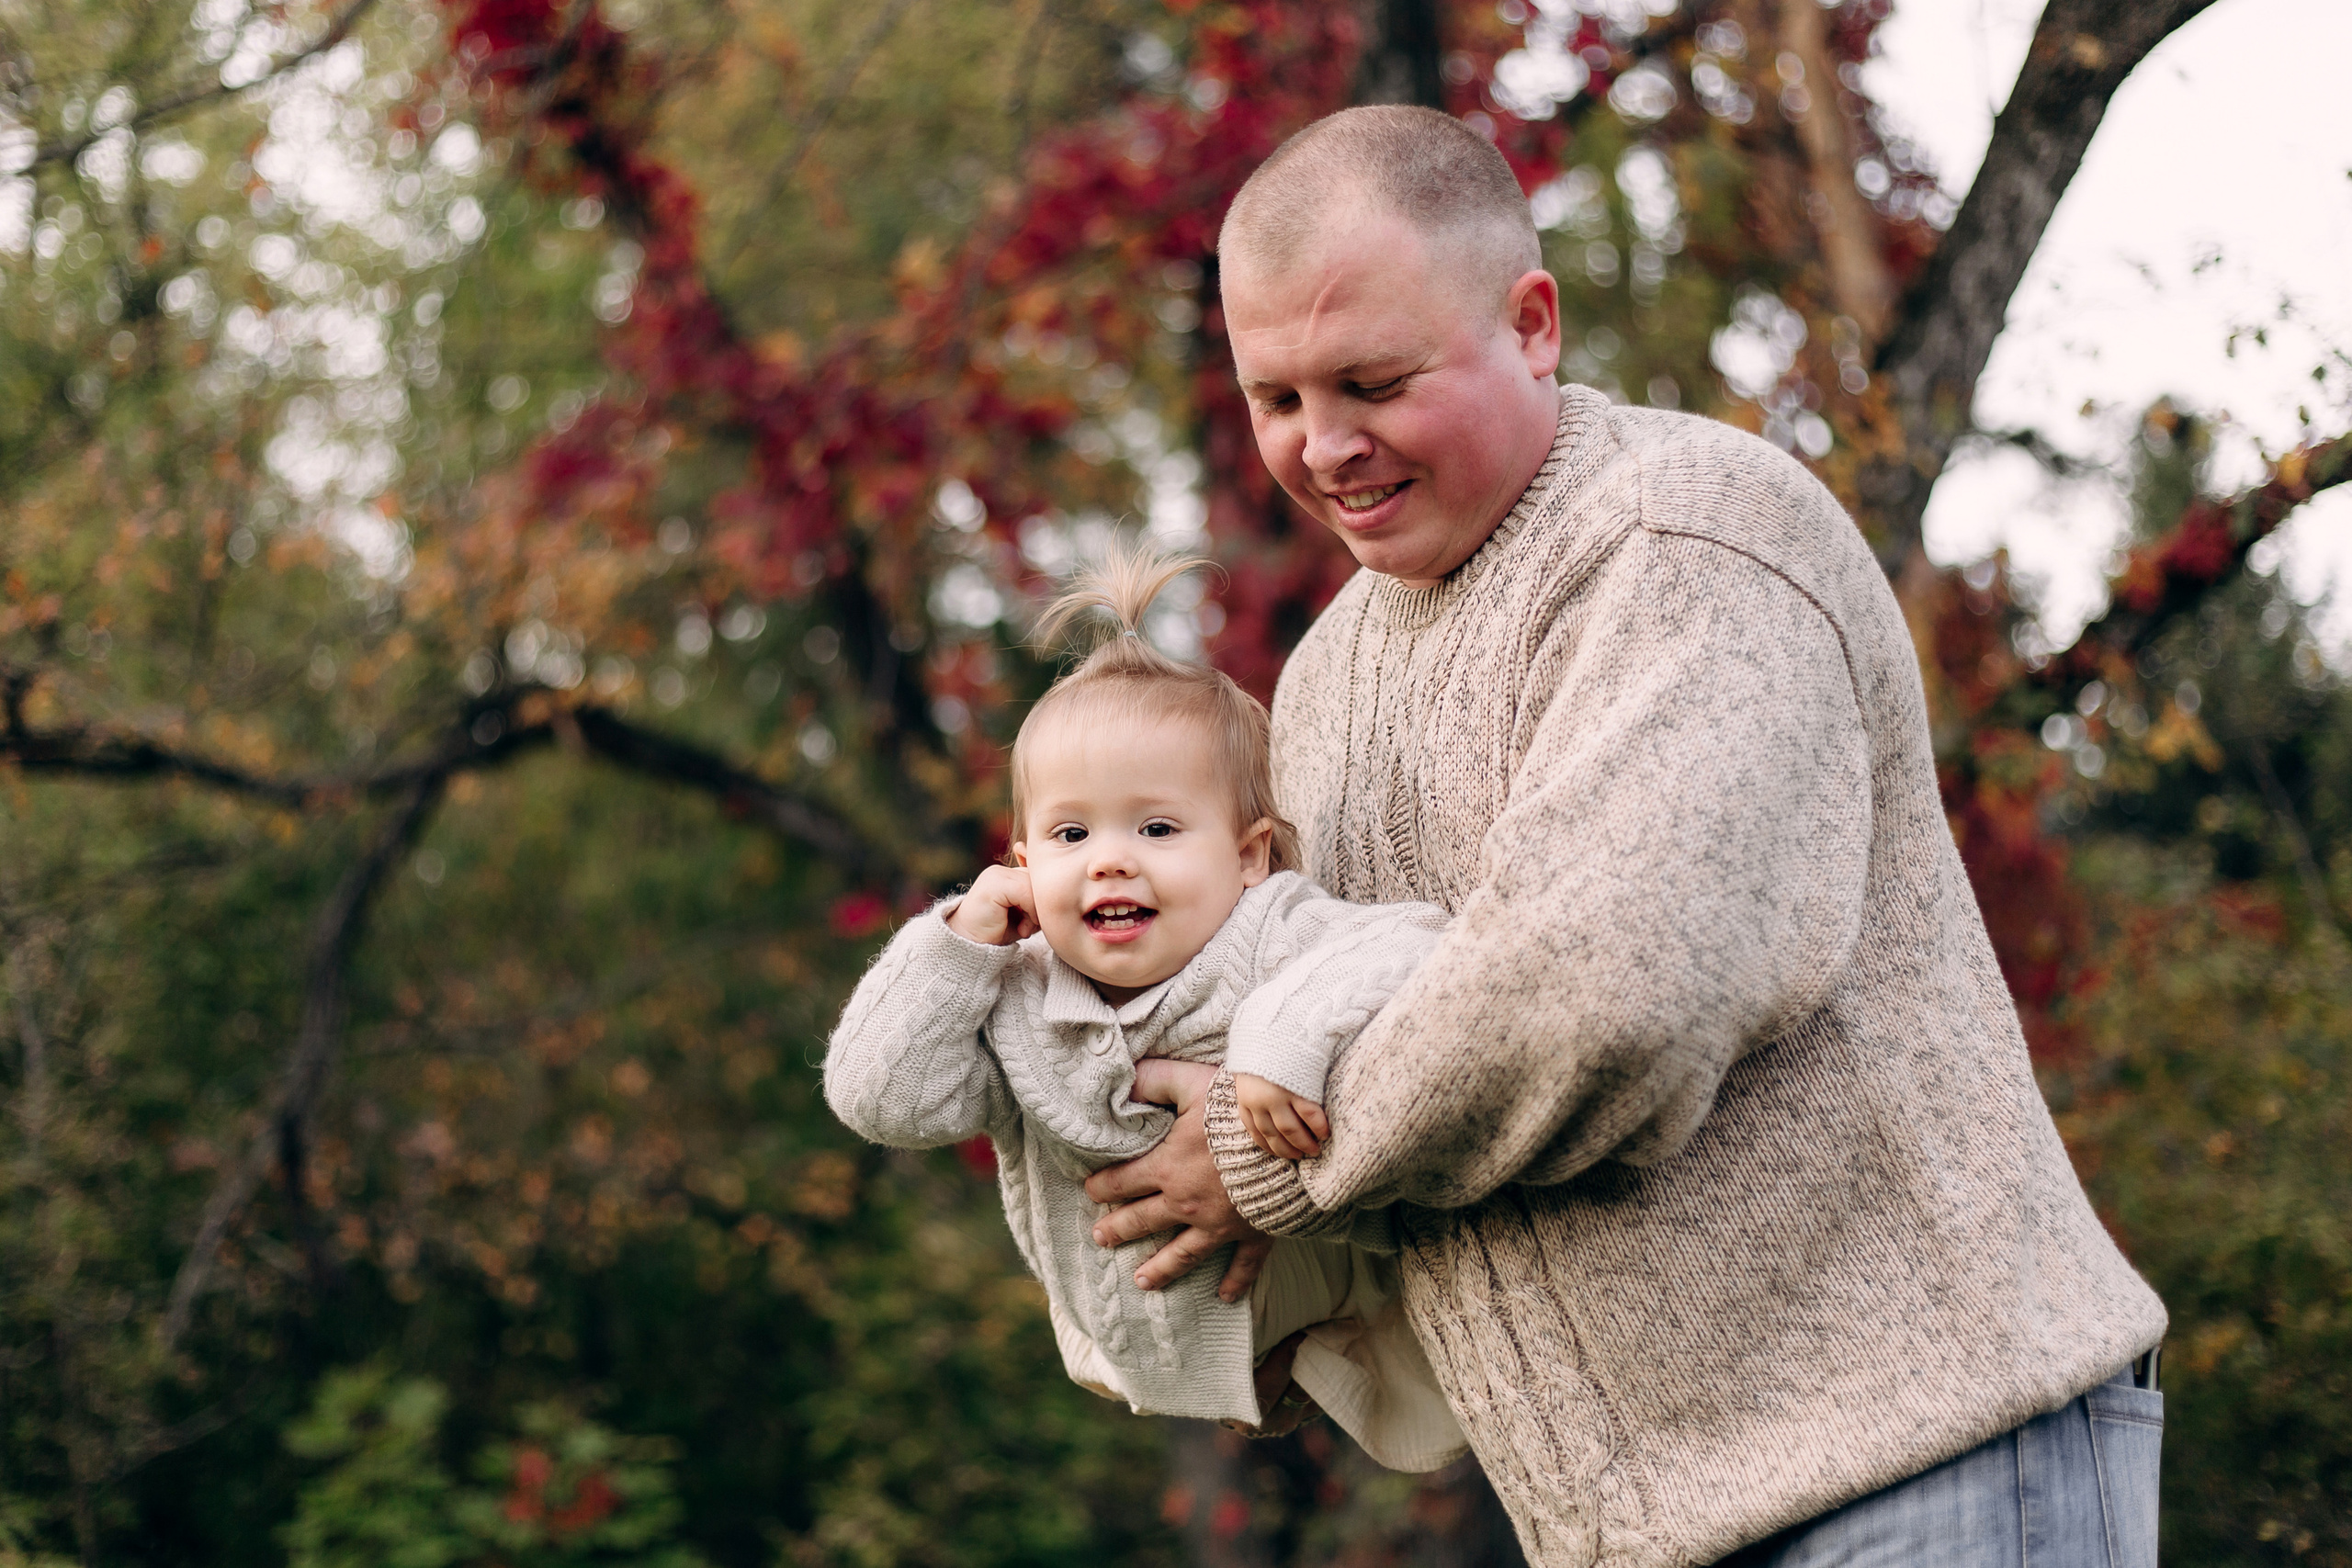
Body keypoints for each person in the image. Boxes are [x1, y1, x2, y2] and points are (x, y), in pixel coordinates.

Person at [1080, 105, 2168, 1567]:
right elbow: (1318, 1031)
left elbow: (1609, 988)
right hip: (1635, 1526)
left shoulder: (1680, 540)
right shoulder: (1328, 683)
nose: (1325, 446)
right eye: (1276, 398)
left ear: (1532, 324)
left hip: (1929, 1458)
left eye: (1372, 381)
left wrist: (1267, 1162)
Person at [821, 547, 1467, 1473]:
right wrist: (953, 943)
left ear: (1247, 856)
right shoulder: (1011, 991)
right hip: (1135, 1344)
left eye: (1157, 828)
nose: (1110, 860)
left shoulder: (1266, 928)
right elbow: (879, 1100)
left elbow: (1415, 942)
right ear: (1022, 859)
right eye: (1071, 834)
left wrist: (1279, 1039)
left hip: (1343, 1311)